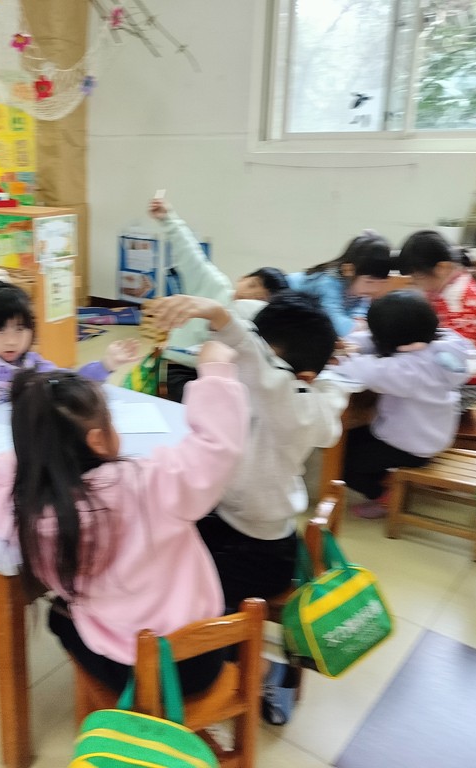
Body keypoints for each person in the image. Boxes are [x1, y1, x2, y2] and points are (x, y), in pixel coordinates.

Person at [0, 341, 249, 694]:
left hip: (127, 668)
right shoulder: (150, 482)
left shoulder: (30, 513)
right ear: (98, 440)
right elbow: (217, 448)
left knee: (60, 615)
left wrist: (33, 453)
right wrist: (216, 373)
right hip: (197, 660)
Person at [150, 290, 347, 609]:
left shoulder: (299, 407)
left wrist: (221, 316)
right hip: (236, 525)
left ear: (303, 378)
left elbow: (262, 370)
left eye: (264, 365)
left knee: (173, 586)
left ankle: (225, 636)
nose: (249, 369)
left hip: (261, 555)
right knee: (163, 545)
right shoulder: (299, 391)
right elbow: (259, 351)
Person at [0, 237, 141, 419]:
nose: (11, 341)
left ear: (31, 329)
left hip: (3, 449)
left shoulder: (33, 365)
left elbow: (71, 384)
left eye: (20, 329)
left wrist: (106, 365)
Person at [330, 290, 476, 518]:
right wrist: (354, 344)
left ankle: (382, 495)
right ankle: (387, 480)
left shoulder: (410, 371)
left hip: (410, 444)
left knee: (342, 462)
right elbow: (375, 341)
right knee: (350, 440)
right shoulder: (446, 343)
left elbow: (366, 371)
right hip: (432, 435)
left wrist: (341, 355)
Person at [148, 197, 287, 401]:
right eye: (252, 285)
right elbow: (190, 253)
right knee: (207, 404)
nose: (248, 295)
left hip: (225, 375)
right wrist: (168, 218)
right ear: (242, 278)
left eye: (260, 298)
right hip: (181, 367)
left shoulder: (258, 316)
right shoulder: (214, 285)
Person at [397, 229, 476, 411]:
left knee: (414, 406)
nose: (415, 283)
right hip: (463, 369)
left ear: (441, 268)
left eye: (417, 277)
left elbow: (453, 353)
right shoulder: (445, 285)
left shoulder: (459, 298)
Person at [286, 231, 394, 337]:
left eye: (382, 282)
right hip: (284, 299)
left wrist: (359, 320)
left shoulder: (361, 287)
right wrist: (358, 327)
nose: (374, 289)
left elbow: (360, 308)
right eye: (369, 281)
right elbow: (334, 322)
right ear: (349, 270)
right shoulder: (328, 283)